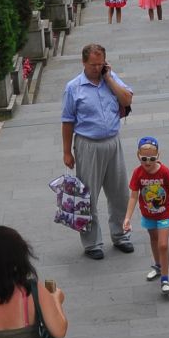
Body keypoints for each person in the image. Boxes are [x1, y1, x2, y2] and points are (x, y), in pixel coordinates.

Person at [61, 44, 136, 260]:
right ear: (83, 63)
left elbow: (127, 100)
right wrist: (67, 152)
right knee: (88, 196)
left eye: (100, 63)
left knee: (119, 192)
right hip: (87, 144)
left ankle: (120, 234)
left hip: (113, 142)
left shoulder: (110, 79)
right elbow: (67, 122)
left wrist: (109, 78)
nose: (96, 68)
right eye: (93, 64)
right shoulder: (73, 88)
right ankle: (92, 242)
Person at [123, 136, 169, 296]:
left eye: (152, 159)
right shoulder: (137, 173)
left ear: (158, 156)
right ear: (138, 155)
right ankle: (158, 266)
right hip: (148, 213)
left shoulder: (164, 172)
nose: (148, 162)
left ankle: (165, 279)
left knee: (163, 244)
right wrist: (127, 217)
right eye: (144, 158)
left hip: (164, 213)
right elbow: (133, 196)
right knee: (154, 240)